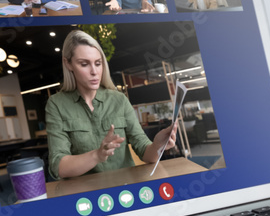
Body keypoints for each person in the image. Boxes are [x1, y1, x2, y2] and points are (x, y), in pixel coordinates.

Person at [45, 30, 177, 180]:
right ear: (68, 63)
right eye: (84, 64)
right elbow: (58, 166)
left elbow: (144, 151)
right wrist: (97, 155)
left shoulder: (119, 100)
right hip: (85, 195)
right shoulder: (56, 104)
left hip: (124, 190)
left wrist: (157, 146)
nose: (94, 71)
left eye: (98, 63)